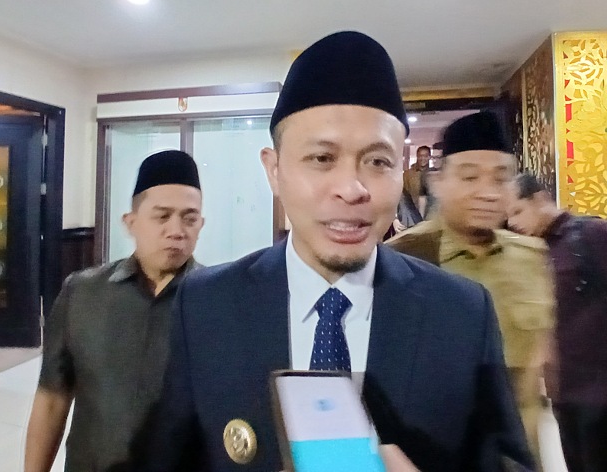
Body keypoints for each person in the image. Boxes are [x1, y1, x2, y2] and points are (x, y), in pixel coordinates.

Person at [140, 31, 534, 472]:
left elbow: (507, 461)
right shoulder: (206, 304)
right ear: (274, 170)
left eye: (378, 162)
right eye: (322, 159)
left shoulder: (461, 312)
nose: (352, 189)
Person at [387, 111, 554, 469]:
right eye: (469, 177)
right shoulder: (403, 260)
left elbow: (533, 375)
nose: (488, 192)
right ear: (438, 182)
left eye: (501, 178)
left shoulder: (533, 258)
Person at [24, 150, 205, 472]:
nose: (177, 230)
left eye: (189, 218)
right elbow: (52, 398)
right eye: (162, 216)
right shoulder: (82, 292)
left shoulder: (216, 299)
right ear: (130, 223)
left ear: (201, 224)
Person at [507, 173, 607, 472]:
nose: (512, 223)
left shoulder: (596, 234)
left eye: (517, 211)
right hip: (567, 397)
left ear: (540, 199)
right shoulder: (536, 250)